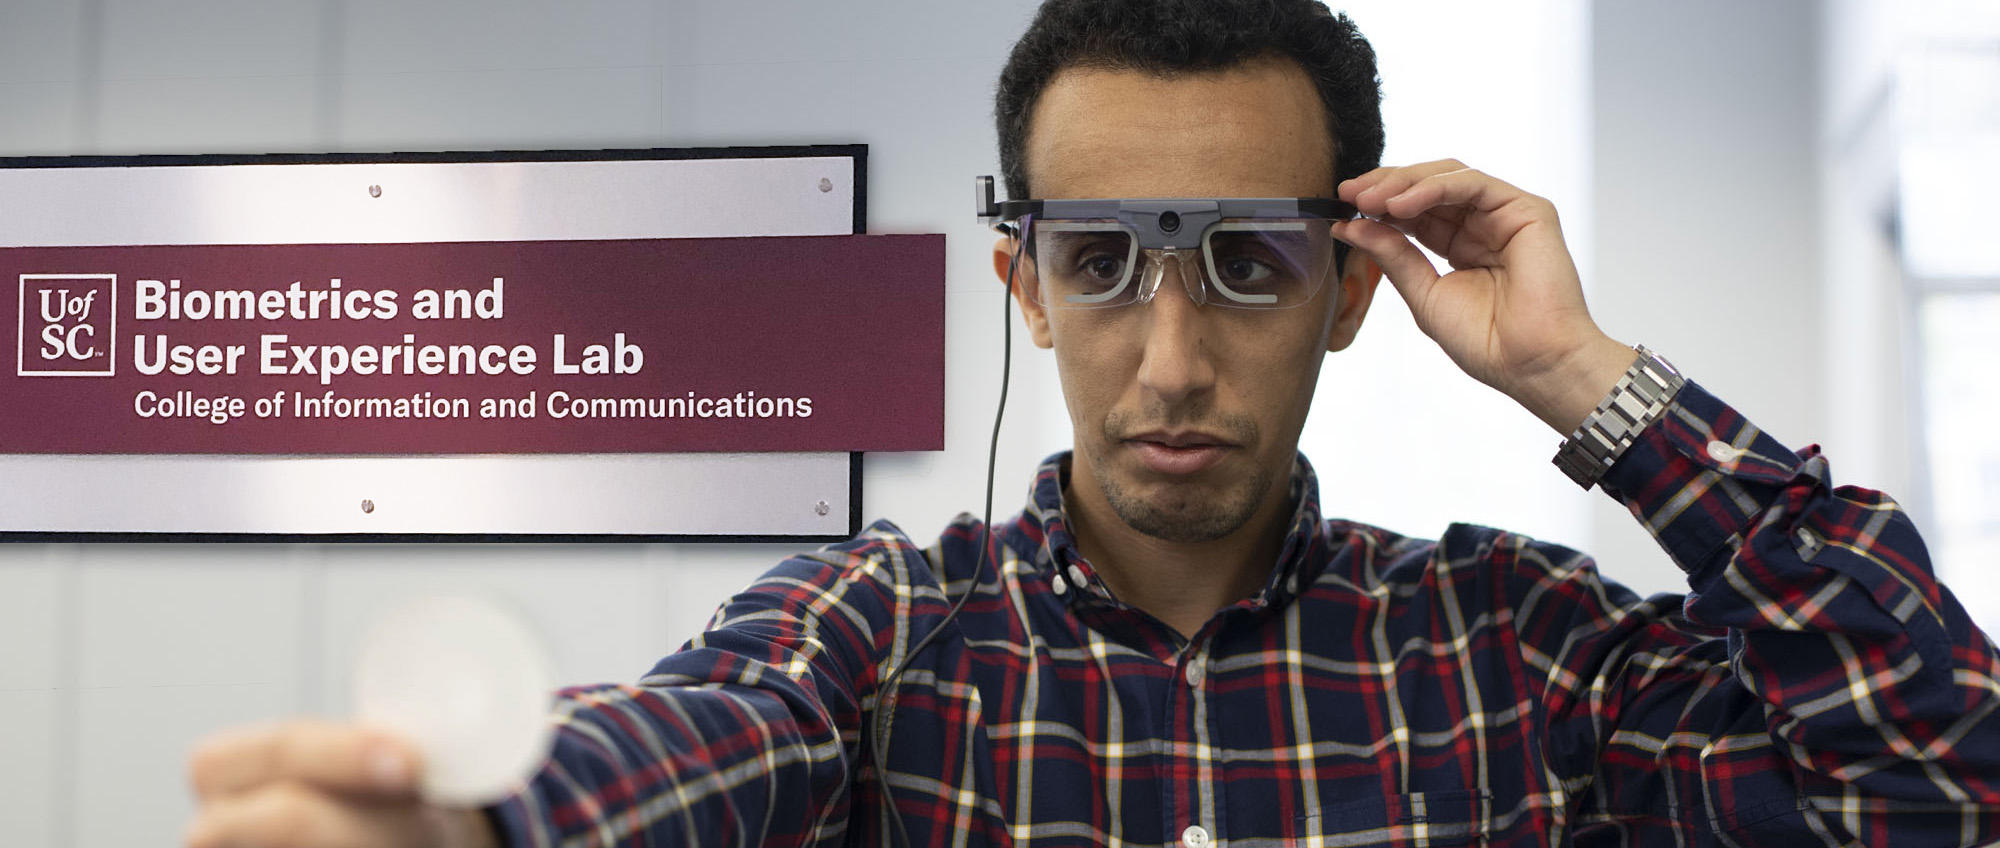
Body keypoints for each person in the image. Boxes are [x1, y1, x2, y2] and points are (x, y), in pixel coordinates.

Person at [184, 1, 2000, 846]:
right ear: (1027, 287)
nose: (1174, 362)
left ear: (1350, 289)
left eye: (1248, 263)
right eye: (1105, 263)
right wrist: (478, 827)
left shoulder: (1522, 655)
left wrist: (1584, 378)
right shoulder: (882, 635)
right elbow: (704, 739)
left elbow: (1938, 777)